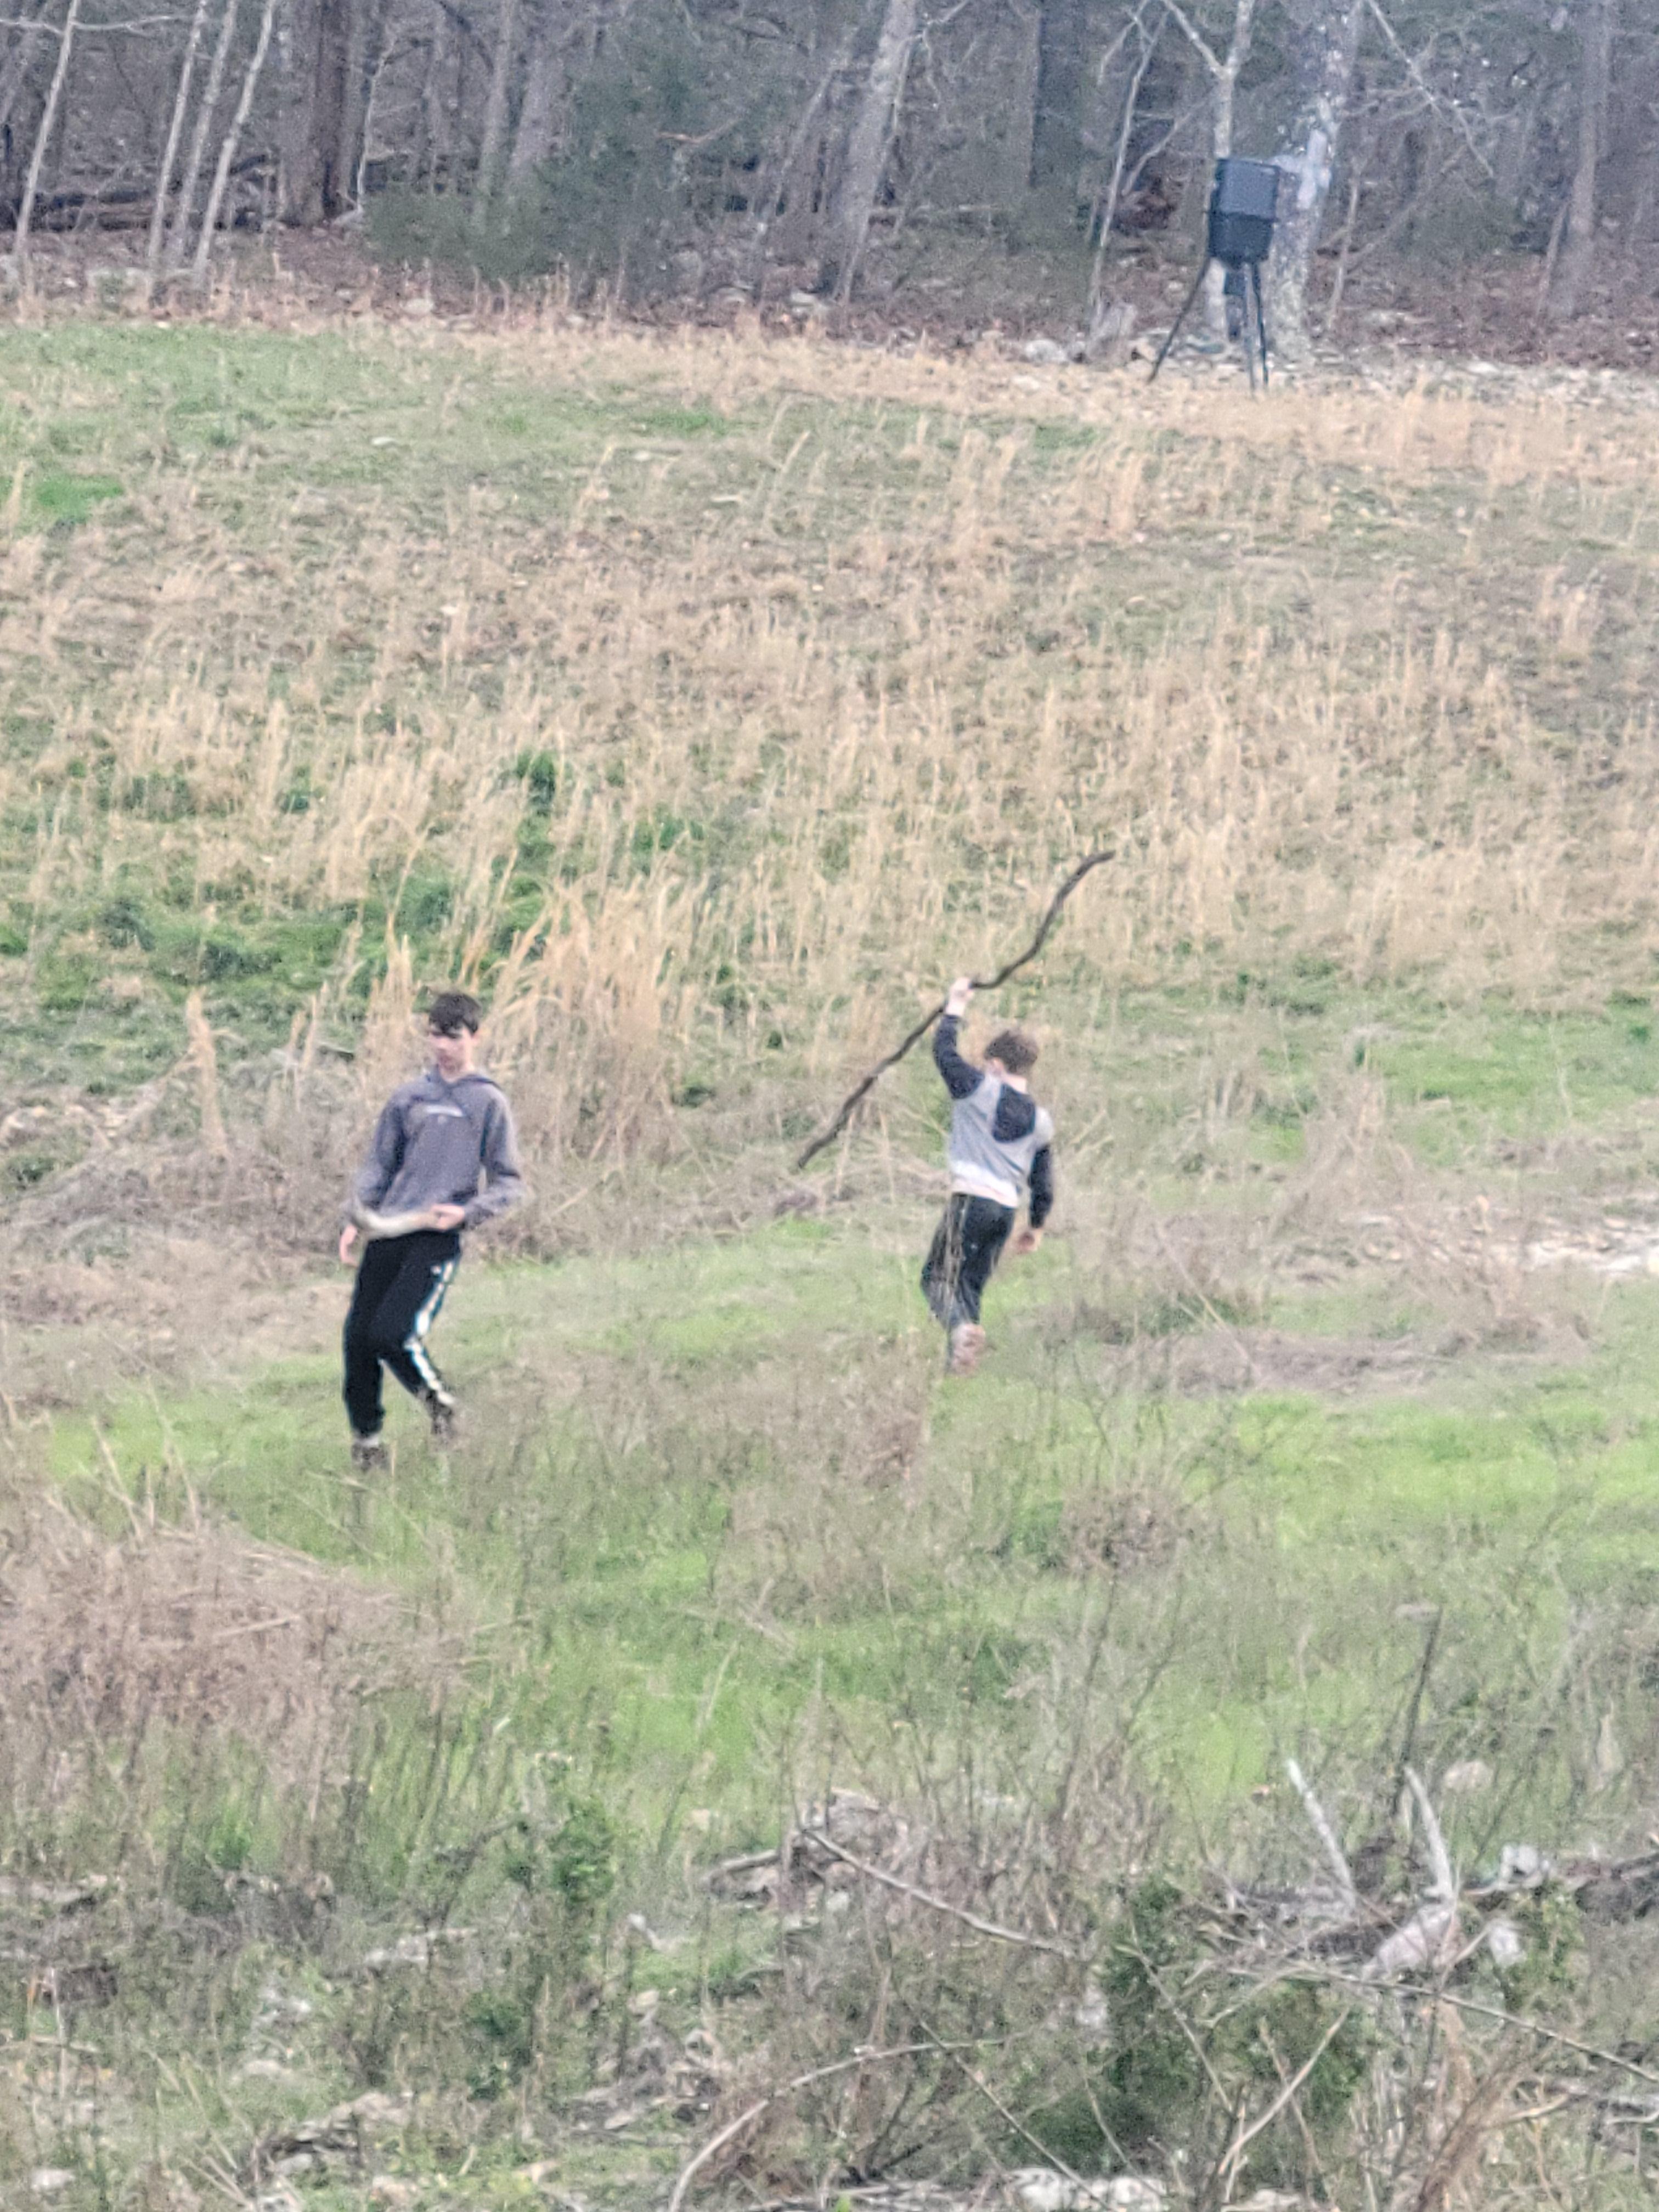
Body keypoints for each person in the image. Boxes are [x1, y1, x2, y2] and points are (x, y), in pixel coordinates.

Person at [338, 990, 523, 1468]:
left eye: (453, 1037)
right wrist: (356, 1220)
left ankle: (443, 1408)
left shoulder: (488, 1102)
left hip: (436, 1236)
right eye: (435, 1036)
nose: (443, 1047)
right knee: (358, 1341)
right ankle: (368, 1445)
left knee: (392, 1333)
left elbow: (509, 1183)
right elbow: (380, 1164)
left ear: (475, 1038)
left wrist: (466, 1213)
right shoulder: (409, 1097)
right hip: (388, 1231)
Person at [921, 975, 1053, 1375]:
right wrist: (1036, 1226)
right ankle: (960, 1366)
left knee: (936, 1279)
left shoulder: (977, 1088)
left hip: (970, 1201)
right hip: (1006, 1211)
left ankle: (960, 1331)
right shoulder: (1042, 1122)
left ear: (995, 1066)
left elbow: (944, 1054)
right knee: (971, 1286)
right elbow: (1044, 1183)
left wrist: (955, 1006)